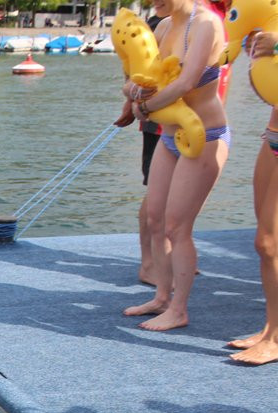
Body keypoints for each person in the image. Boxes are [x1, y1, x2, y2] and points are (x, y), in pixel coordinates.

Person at [122, 0, 228, 331]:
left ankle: (179, 309)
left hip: (204, 136)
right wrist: (134, 95)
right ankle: (162, 297)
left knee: (176, 227)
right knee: (155, 219)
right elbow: (136, 75)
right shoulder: (163, 25)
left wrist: (147, 106)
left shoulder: (206, 24)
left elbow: (186, 83)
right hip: (168, 136)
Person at [228, 32, 278, 364]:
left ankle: (275, 339)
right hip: (273, 131)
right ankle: (271, 328)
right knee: (266, 241)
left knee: (268, 241)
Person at [114, 11, 167, 286]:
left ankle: (172, 255)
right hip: (159, 125)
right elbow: (133, 69)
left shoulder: (215, 16)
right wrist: (131, 101)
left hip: (200, 125)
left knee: (182, 198)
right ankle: (149, 263)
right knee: (157, 194)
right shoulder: (161, 23)